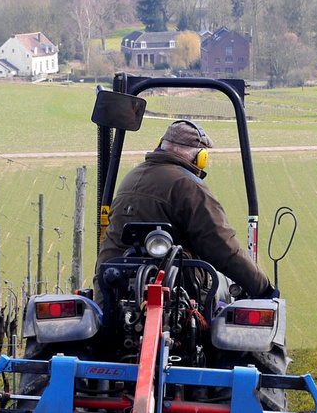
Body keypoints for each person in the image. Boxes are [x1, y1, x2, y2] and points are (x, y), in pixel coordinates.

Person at [97, 119, 275, 297]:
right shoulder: (189, 185)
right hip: (174, 296)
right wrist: (263, 288)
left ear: (160, 144)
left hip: (111, 289)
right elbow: (223, 249)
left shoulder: (131, 177)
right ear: (200, 157)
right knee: (224, 285)